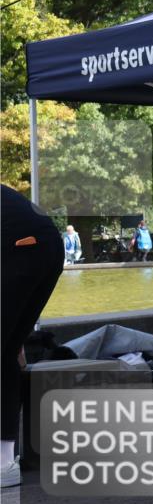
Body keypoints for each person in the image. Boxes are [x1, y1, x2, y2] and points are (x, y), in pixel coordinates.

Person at [2, 185, 65, 488]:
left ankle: (3, 464)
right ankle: (4, 460)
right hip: (47, 245)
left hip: (21, 246)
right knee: (5, 352)